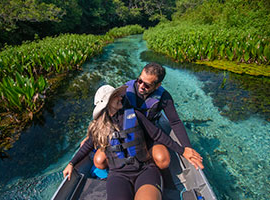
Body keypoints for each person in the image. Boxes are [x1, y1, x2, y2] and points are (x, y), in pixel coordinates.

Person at [63, 84, 203, 200]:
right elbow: (87, 146)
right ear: (106, 104)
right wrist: (71, 163)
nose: (120, 97)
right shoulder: (98, 128)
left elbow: (158, 134)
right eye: (115, 96)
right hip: (118, 174)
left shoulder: (134, 114)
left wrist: (183, 150)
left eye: (118, 94)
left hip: (145, 169)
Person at [94, 63, 204, 170]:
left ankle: (147, 169)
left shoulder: (164, 97)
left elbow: (175, 122)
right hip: (125, 133)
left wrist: (187, 148)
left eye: (147, 85)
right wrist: (92, 134)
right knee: (99, 162)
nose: (141, 86)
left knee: (163, 161)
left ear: (157, 85)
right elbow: (107, 109)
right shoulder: (126, 90)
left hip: (150, 134)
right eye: (140, 80)